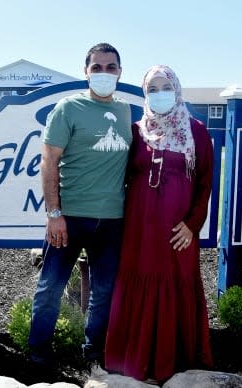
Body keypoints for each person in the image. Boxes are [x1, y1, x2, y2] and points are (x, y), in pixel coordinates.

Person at [104, 65, 214, 383]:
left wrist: (193, 225)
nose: (159, 94)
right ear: (145, 93)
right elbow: (120, 177)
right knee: (137, 282)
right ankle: (132, 360)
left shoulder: (196, 132)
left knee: (173, 282)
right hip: (139, 231)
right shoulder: (136, 131)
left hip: (177, 233)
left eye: (165, 87)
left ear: (177, 90)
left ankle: (174, 361)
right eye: (152, 88)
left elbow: (205, 183)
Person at [28, 43, 132, 365]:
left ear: (119, 72)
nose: (104, 73)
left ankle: (93, 353)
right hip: (69, 218)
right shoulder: (68, 108)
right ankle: (38, 355)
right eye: (96, 67)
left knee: (104, 294)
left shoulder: (125, 111)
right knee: (50, 289)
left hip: (112, 220)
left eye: (110, 67)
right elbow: (49, 160)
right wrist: (54, 214)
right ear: (85, 71)